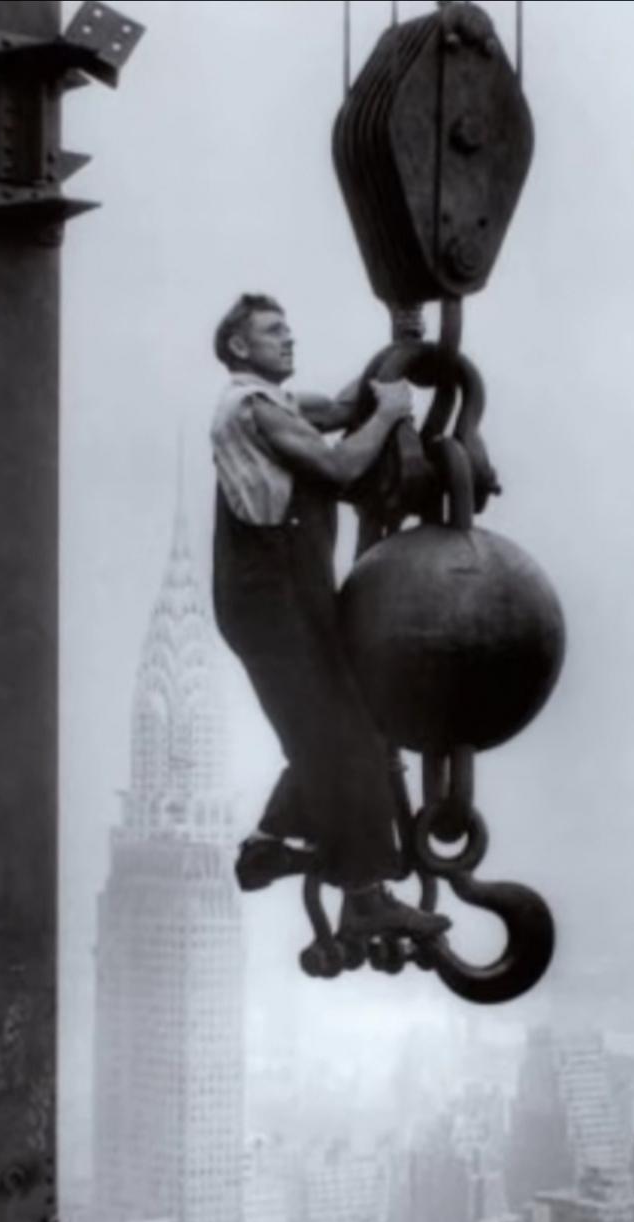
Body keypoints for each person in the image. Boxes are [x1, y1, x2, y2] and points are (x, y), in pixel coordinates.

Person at [210, 293, 449, 942]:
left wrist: (393, 355)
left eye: (289, 327)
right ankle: (365, 894)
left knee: (335, 729)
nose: (288, 339)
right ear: (239, 347)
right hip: (270, 598)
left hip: (292, 594)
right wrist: (394, 411)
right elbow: (343, 468)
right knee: (339, 736)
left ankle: (268, 847)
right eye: (272, 331)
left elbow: (344, 410)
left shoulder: (281, 405)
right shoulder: (250, 407)